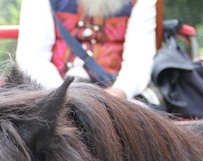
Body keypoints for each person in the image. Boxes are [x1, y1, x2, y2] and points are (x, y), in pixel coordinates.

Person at [16, 0, 157, 100]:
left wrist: (120, 92)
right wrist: (61, 94)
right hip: (51, 89)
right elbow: (32, 55)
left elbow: (139, 58)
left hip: (113, 93)